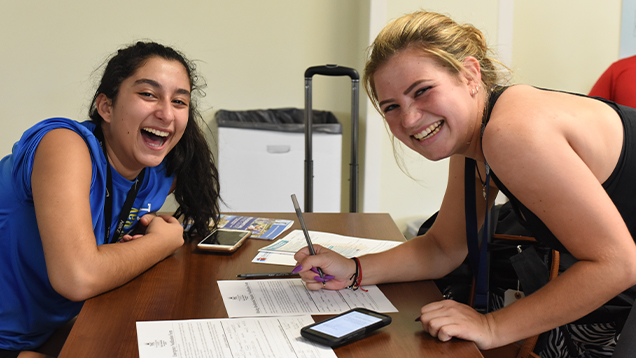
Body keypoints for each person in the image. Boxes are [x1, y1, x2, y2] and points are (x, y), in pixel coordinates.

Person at [293, 10, 636, 357]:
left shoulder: (510, 134)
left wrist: (492, 326)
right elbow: (444, 247)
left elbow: (617, 264)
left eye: (423, 91)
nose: (409, 118)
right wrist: (354, 270)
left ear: (470, 74)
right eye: (392, 107)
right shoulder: (476, 137)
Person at [0, 41, 220, 358]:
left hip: (46, 331)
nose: (166, 113)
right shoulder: (63, 145)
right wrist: (162, 242)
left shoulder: (159, 174)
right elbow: (78, 277)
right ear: (106, 107)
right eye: (148, 94)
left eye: (179, 101)